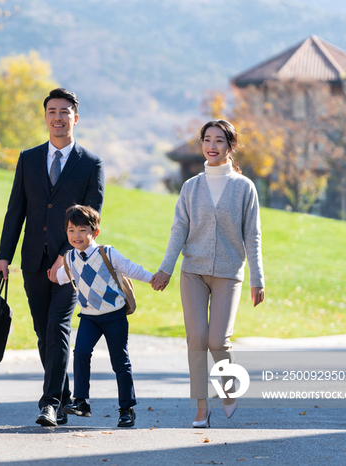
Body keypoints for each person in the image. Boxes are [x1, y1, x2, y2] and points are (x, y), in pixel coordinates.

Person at [0, 88, 104, 427]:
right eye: (52, 111)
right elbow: (16, 210)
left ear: (75, 117)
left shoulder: (90, 164)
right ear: (45, 117)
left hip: (72, 265)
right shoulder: (28, 159)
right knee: (44, 334)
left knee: (58, 329)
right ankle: (65, 395)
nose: (58, 117)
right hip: (32, 261)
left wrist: (66, 254)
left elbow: (91, 216)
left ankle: (50, 404)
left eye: (65, 112)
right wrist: (3, 256)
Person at [150, 119, 265, 428]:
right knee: (197, 339)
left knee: (218, 340)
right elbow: (179, 230)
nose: (211, 146)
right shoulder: (191, 187)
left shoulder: (244, 188)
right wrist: (166, 268)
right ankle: (201, 408)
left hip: (229, 272)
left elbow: (252, 235)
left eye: (219, 140)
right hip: (193, 272)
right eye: (207, 140)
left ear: (230, 147)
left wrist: (258, 279)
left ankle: (228, 388)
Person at [49, 205, 153, 428]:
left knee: (119, 361)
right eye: (71, 230)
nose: (76, 235)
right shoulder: (70, 259)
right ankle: (82, 402)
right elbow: (60, 277)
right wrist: (51, 276)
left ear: (95, 232)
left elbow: (131, 269)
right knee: (81, 353)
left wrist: (153, 278)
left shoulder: (107, 253)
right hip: (89, 318)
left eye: (82, 230)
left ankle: (127, 409)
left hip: (114, 316)